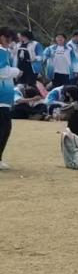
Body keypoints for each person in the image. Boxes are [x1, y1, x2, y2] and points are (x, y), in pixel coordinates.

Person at [0, 26, 20, 170]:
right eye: (9, 39)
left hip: (4, 98)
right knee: (4, 129)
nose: (10, 43)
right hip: (1, 99)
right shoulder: (1, 52)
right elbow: (2, 71)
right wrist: (16, 71)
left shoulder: (4, 52)